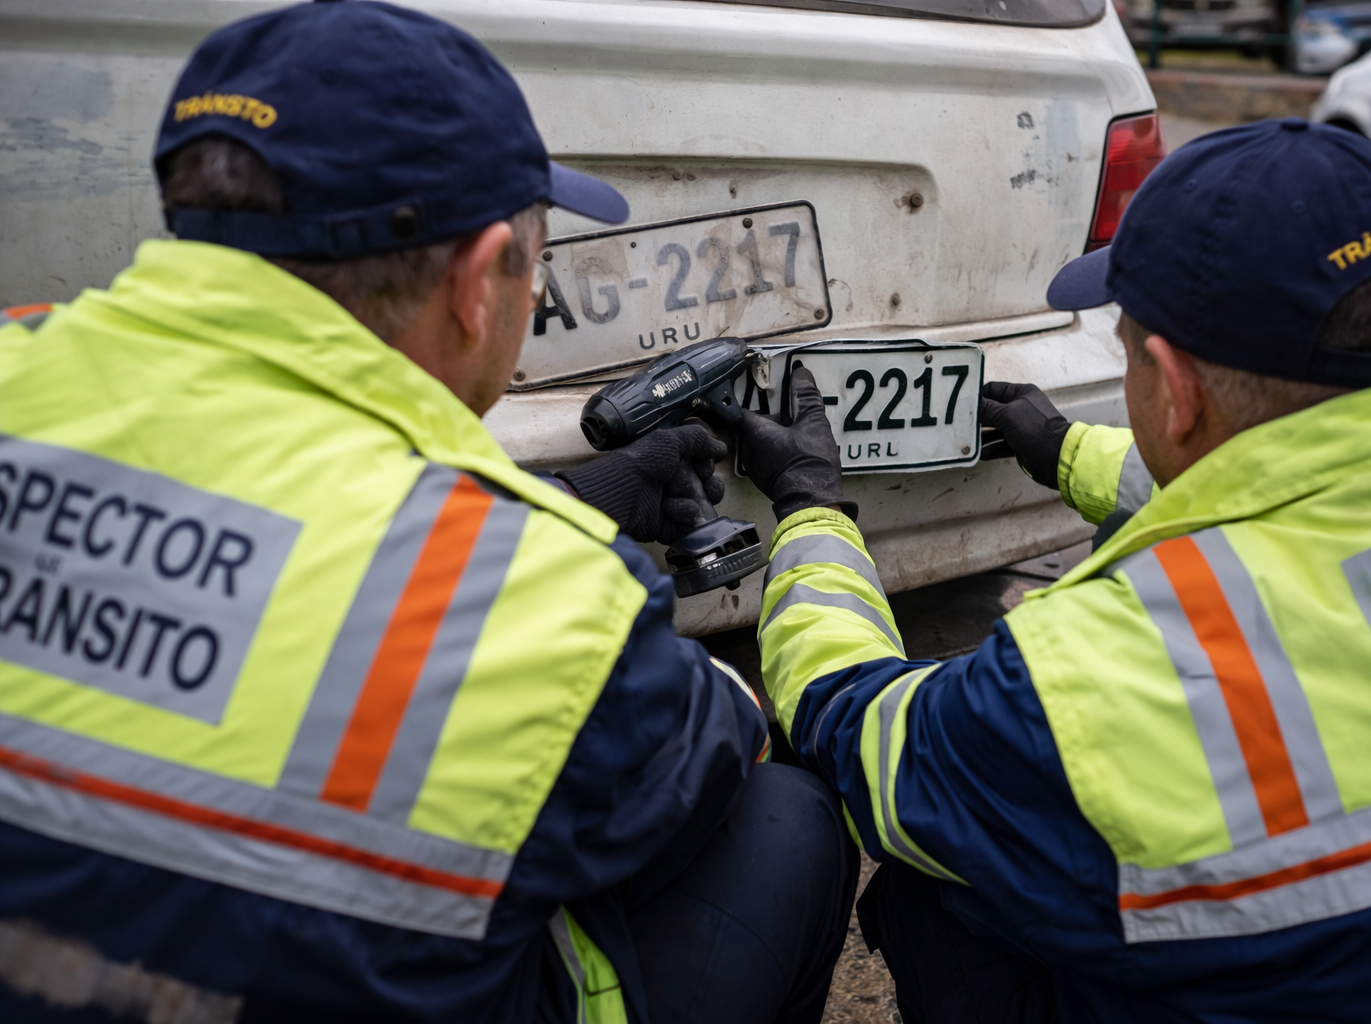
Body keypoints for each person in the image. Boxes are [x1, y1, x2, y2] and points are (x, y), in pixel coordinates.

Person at [0, 3, 857, 1022]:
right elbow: (712, 748)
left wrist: (556, 501)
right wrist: (783, 527)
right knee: (788, 818)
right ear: (474, 279)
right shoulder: (552, 603)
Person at [734, 118, 1371, 1022]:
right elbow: (1304, 479)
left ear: (1174, 385)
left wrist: (810, 511)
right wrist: (1067, 450)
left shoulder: (1100, 678)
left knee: (938, 892)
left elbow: (855, 725)